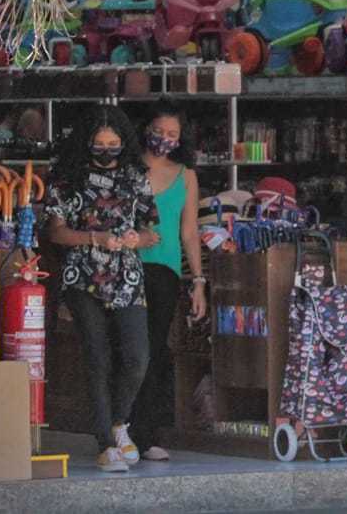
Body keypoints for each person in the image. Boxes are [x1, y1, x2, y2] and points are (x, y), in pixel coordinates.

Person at [45, 104, 160, 473]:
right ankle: (105, 443)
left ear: (123, 143)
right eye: (99, 143)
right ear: (87, 142)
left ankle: (119, 422)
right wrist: (95, 237)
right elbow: (56, 231)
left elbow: (152, 231)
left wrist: (134, 238)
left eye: (113, 143)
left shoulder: (135, 176)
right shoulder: (65, 178)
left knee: (137, 357)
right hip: (82, 275)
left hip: (127, 274)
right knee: (97, 358)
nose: (107, 150)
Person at [129, 100, 206, 462]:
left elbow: (190, 232)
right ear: (146, 129)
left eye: (172, 134)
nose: (164, 138)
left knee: (155, 350)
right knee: (128, 349)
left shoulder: (186, 175)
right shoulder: (126, 168)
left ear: (181, 138)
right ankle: (119, 429)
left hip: (165, 270)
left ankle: (146, 433)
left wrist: (199, 280)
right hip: (123, 265)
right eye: (158, 131)